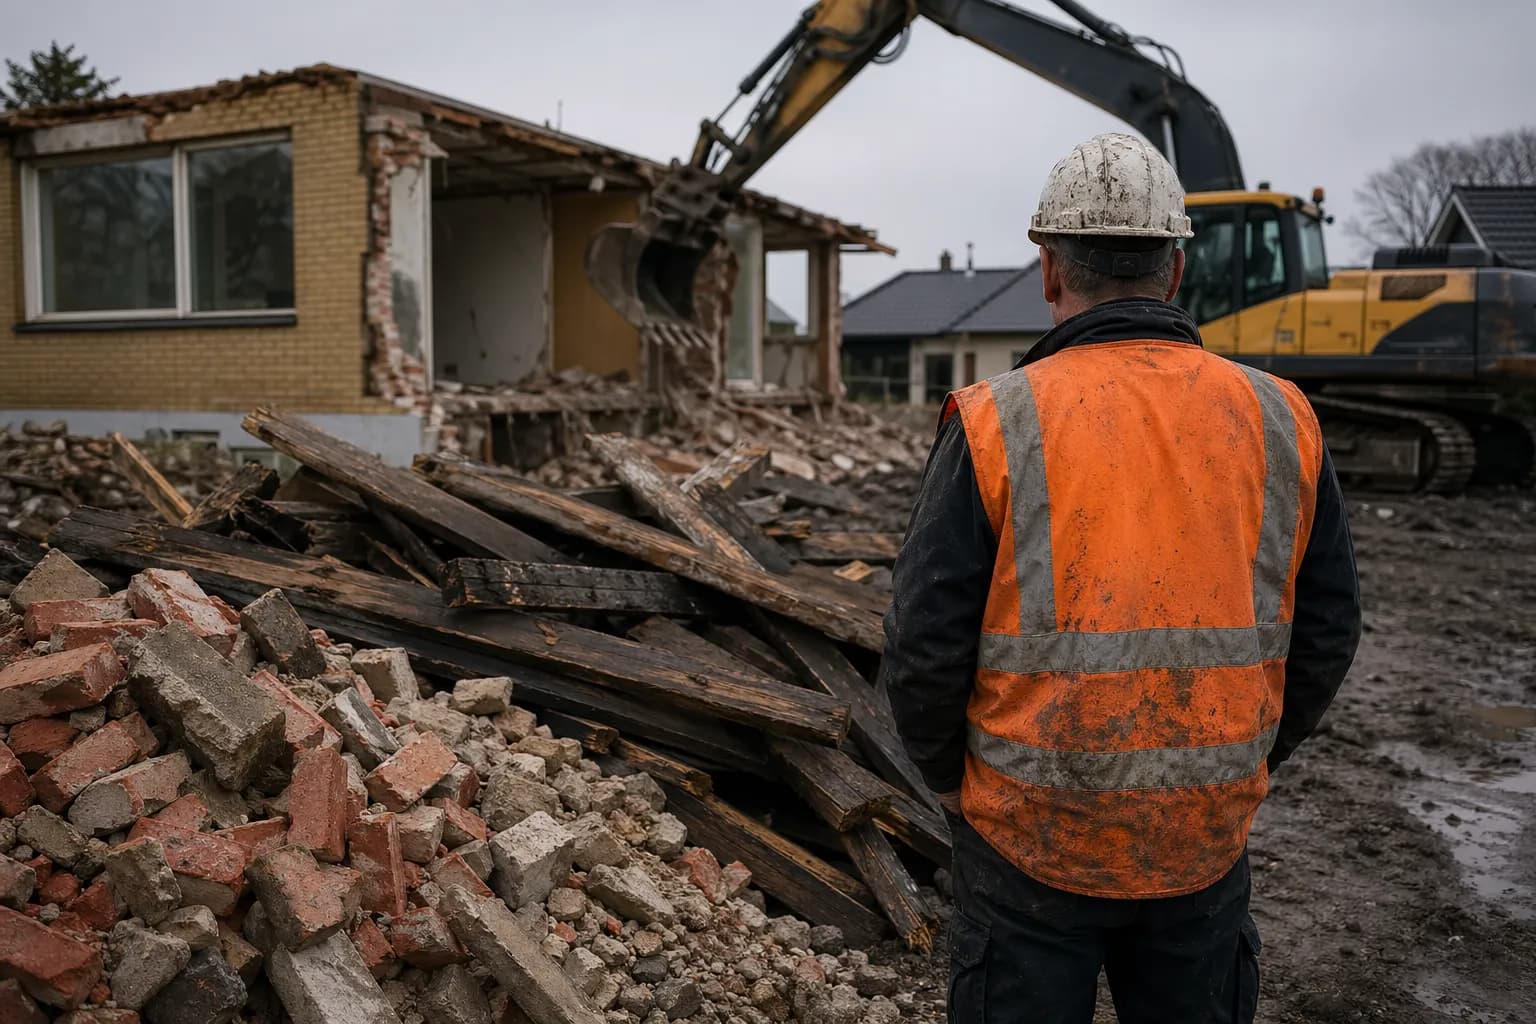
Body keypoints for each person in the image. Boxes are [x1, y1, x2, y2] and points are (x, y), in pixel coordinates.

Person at [880, 132, 1361, 1024]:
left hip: (1027, 832)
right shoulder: (1280, 415)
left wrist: (951, 780)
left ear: (1048, 269)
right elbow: (1330, 625)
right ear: (1176, 270)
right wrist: (1245, 758)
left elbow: (923, 639)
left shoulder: (998, 419)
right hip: (1204, 837)